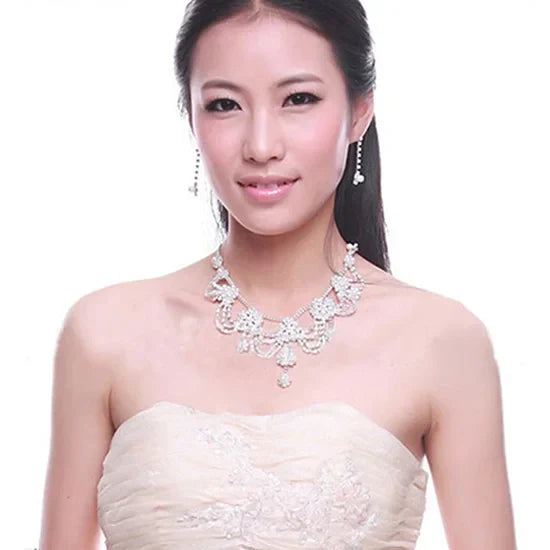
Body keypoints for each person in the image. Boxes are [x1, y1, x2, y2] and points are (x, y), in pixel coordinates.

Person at [39, 1, 517, 548]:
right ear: (191, 117)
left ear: (359, 111)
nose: (261, 146)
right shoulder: (103, 334)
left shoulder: (443, 341)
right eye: (224, 104)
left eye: (298, 99)